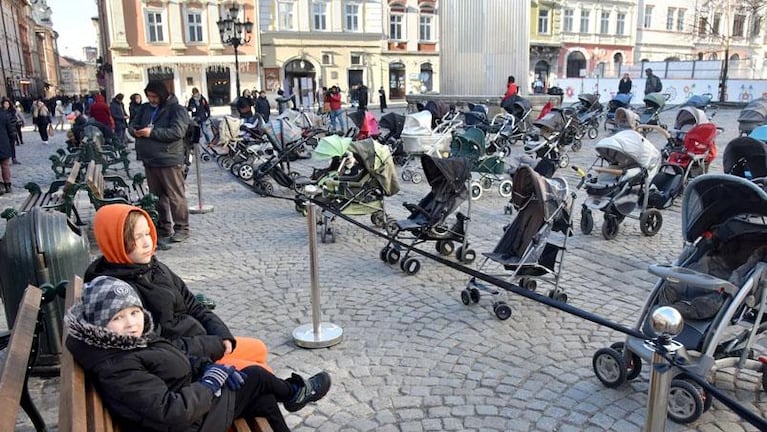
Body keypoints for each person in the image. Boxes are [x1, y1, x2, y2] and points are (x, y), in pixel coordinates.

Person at [65, 275, 332, 432]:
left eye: (134, 312)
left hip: (191, 405)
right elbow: (171, 411)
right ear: (100, 325)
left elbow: (171, 360)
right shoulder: (119, 364)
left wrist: (204, 367)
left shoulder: (129, 342)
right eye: (118, 317)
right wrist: (209, 383)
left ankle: (293, 392)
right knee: (256, 377)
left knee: (261, 400)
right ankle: (294, 392)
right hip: (186, 423)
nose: (131, 322)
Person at [85, 204, 276, 371]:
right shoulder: (119, 292)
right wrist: (210, 345)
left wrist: (221, 334)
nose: (147, 242)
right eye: (136, 237)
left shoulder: (153, 266)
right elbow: (158, 346)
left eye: (147, 233)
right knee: (261, 372)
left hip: (197, 342)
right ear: (116, 242)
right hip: (183, 361)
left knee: (259, 348)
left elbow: (192, 304)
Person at [129, 80, 191, 243]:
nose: (152, 100)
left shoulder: (177, 110)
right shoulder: (145, 108)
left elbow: (177, 132)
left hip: (169, 159)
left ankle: (181, 227)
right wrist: (135, 131)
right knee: (156, 197)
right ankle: (163, 227)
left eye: (155, 97)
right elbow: (133, 123)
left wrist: (152, 132)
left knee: (175, 195)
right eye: (149, 96)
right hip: (150, 159)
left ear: (162, 95)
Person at [0, 102, 13, 193]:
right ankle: (7, 185)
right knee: (5, 165)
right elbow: (10, 130)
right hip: (4, 142)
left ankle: (0, 185)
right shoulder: (4, 115)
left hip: (4, 142)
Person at [1, 98, 19, 164]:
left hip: (12, 131)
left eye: (8, 104)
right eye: (5, 104)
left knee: (12, 145)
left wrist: (11, 125)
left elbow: (15, 120)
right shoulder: (2, 112)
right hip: (4, 133)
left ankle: (14, 158)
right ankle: (6, 159)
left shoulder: (12, 111)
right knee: (6, 146)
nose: (7, 105)